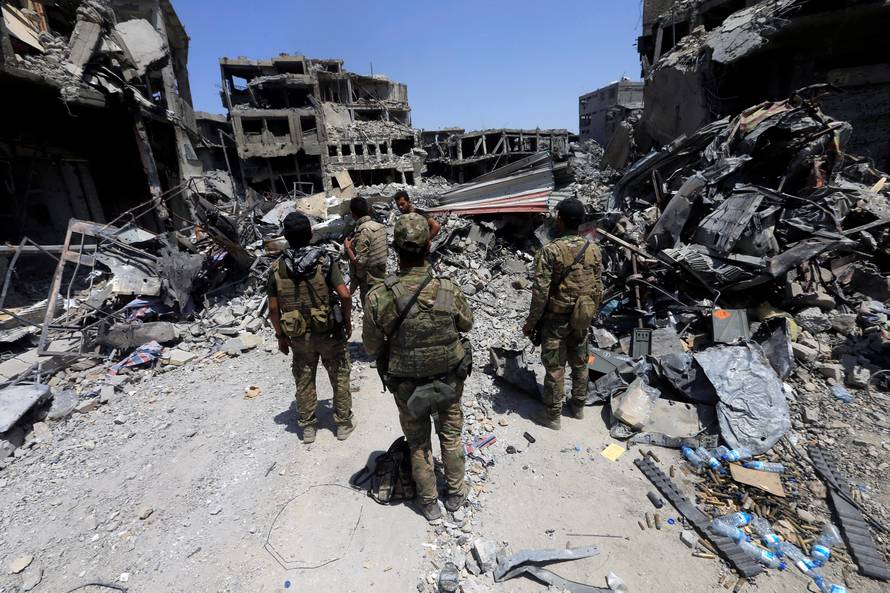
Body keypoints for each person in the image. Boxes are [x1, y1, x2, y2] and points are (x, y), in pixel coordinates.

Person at [363, 213, 473, 522]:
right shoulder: (448, 289)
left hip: (407, 385)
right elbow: (468, 323)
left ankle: (429, 504)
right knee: (450, 437)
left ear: (395, 250)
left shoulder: (378, 295)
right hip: (449, 380)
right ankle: (455, 495)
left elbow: (371, 347)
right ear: (428, 245)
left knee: (418, 442)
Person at [267, 212, 355, 444]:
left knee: (304, 378)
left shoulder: (277, 267)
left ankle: (308, 428)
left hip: (297, 335)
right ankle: (343, 424)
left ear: (286, 236)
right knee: (339, 375)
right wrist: (347, 321)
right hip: (328, 330)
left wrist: (280, 337)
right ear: (310, 234)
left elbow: (273, 308)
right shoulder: (324, 260)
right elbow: (345, 295)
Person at [522, 199, 603, 430]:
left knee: (555, 367)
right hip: (582, 317)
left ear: (560, 219)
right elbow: (598, 285)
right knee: (580, 362)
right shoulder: (593, 249)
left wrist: (531, 323)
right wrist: (589, 313)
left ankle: (552, 415)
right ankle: (578, 407)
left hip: (556, 319)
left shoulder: (550, 251)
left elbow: (540, 294)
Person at [343, 197, 388, 306]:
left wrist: (348, 247)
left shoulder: (363, 231)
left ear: (353, 214)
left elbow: (360, 263)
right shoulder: (380, 227)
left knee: (370, 310)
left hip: (369, 281)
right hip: (381, 276)